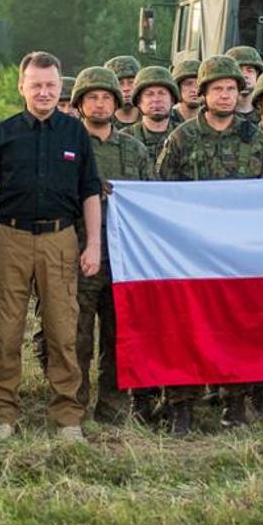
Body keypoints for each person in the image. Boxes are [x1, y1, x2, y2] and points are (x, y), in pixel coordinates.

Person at [0, 52, 102, 442]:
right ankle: (3, 414)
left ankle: (67, 416)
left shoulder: (75, 133)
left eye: (50, 85)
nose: (44, 92)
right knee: (7, 331)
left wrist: (92, 244)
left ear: (60, 87)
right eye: (36, 85)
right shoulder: (3, 133)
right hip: (9, 239)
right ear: (22, 87)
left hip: (60, 240)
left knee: (63, 330)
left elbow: (90, 191)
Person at [155, 55, 263, 434]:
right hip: (191, 253)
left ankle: (234, 403)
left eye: (230, 89)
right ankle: (181, 406)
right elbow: (158, 192)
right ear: (203, 94)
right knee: (185, 328)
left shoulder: (254, 139)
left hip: (238, 254)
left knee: (236, 328)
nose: (225, 96)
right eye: (217, 89)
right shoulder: (181, 138)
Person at [67, 66, 152, 425]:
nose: (100, 104)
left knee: (120, 338)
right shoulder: (67, 145)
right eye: (92, 98)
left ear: (117, 103)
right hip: (78, 254)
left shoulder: (134, 149)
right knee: (77, 336)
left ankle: (114, 409)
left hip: (124, 259)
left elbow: (150, 200)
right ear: (80, 104)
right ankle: (74, 404)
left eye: (106, 98)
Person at [128, 66, 181, 157]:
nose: (156, 99)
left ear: (172, 99)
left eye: (162, 93)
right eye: (149, 94)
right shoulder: (126, 139)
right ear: (139, 101)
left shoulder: (186, 136)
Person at [104, 55, 142, 129]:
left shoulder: (152, 121)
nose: (126, 88)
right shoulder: (100, 123)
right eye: (120, 83)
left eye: (131, 82)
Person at [173, 57, 202, 122]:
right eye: (188, 84)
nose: (194, 90)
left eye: (198, 84)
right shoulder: (165, 121)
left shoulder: (214, 121)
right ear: (178, 88)